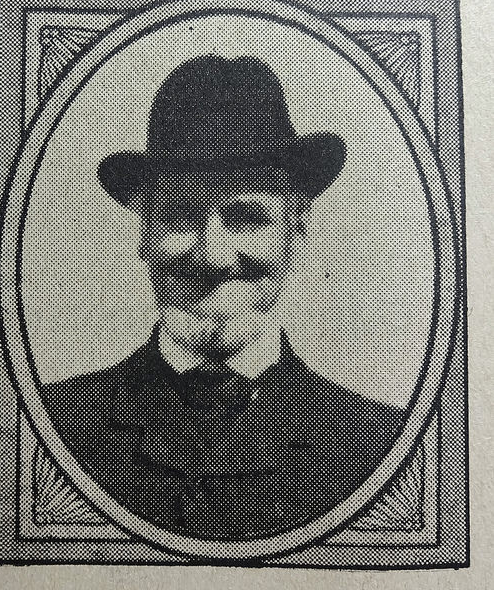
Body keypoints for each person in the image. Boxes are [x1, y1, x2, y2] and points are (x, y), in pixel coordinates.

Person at [43, 55, 405, 539]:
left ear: (295, 233)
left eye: (246, 218)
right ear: (143, 235)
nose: (213, 257)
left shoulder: (376, 443)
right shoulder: (49, 430)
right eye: (181, 215)